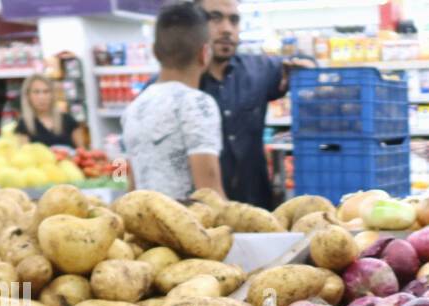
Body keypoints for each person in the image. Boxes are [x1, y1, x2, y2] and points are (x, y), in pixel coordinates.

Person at [197, 0, 316, 209]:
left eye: (234, 20)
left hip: (256, 207)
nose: (227, 29)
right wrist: (119, 187)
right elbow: (127, 156)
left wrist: (308, 69)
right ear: (193, 23)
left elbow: (304, 61)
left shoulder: (258, 69)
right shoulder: (175, 85)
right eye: (215, 18)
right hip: (197, 217)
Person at [120, 2, 224, 200]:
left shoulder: (132, 109)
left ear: (154, 52)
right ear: (205, 53)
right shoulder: (198, 104)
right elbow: (210, 194)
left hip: (145, 225)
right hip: (188, 226)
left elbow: (126, 181)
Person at [17, 74, 82, 149]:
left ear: (52, 94)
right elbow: (24, 155)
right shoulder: (23, 125)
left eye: (46, 92)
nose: (42, 97)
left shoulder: (68, 120)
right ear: (28, 96)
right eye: (36, 92)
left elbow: (82, 152)